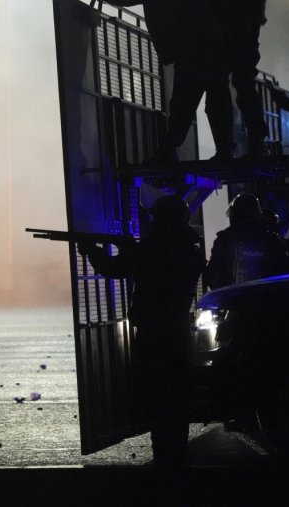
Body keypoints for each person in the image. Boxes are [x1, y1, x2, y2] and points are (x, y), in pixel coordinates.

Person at [78, 195, 205, 465]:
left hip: (154, 333)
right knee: (175, 397)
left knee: (157, 396)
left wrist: (92, 250)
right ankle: (176, 454)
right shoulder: (189, 250)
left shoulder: (152, 249)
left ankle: (165, 458)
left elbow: (115, 268)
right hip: (178, 331)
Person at [94, 0, 231, 162]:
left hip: (189, 50)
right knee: (217, 100)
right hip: (212, 45)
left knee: (182, 102)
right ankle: (224, 151)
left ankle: (167, 150)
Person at [172, 0, 270, 156]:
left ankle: (231, 147)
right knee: (241, 86)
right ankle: (254, 143)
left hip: (224, 34)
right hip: (240, 32)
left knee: (219, 89)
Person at [203, 192, 289, 291]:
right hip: (264, 300)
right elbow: (284, 272)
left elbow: (212, 273)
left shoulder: (225, 239)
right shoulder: (271, 240)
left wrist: (223, 294)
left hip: (232, 300)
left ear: (234, 214)